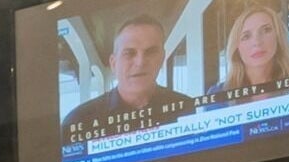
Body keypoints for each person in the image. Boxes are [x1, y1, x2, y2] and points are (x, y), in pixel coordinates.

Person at [61, 10, 194, 143]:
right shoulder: (78, 121)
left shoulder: (187, 109)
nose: (140, 62)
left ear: (162, 58)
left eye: (150, 52)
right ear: (113, 64)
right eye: (129, 53)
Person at [206, 4, 289, 100]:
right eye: (246, 36)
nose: (257, 42)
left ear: (278, 37)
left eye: (266, 30)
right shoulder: (217, 94)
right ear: (236, 47)